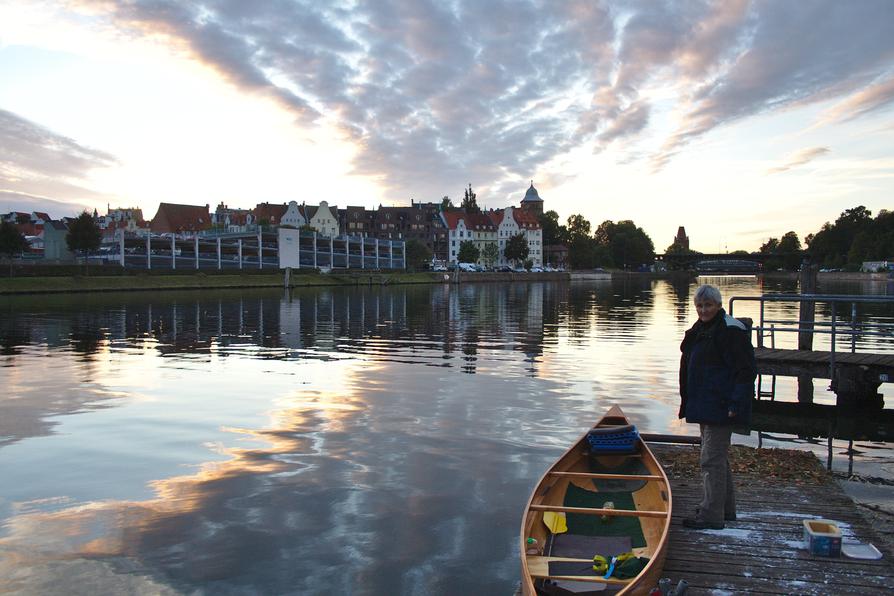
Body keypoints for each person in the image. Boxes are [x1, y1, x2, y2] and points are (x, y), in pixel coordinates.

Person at [678, 284, 756, 530]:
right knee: (717, 459)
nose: (703, 310)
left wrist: (736, 402)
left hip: (723, 405)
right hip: (705, 403)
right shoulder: (701, 330)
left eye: (708, 305)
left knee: (710, 460)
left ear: (719, 306)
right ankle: (726, 510)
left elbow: (746, 371)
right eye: (699, 306)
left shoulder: (730, 331)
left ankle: (711, 516)